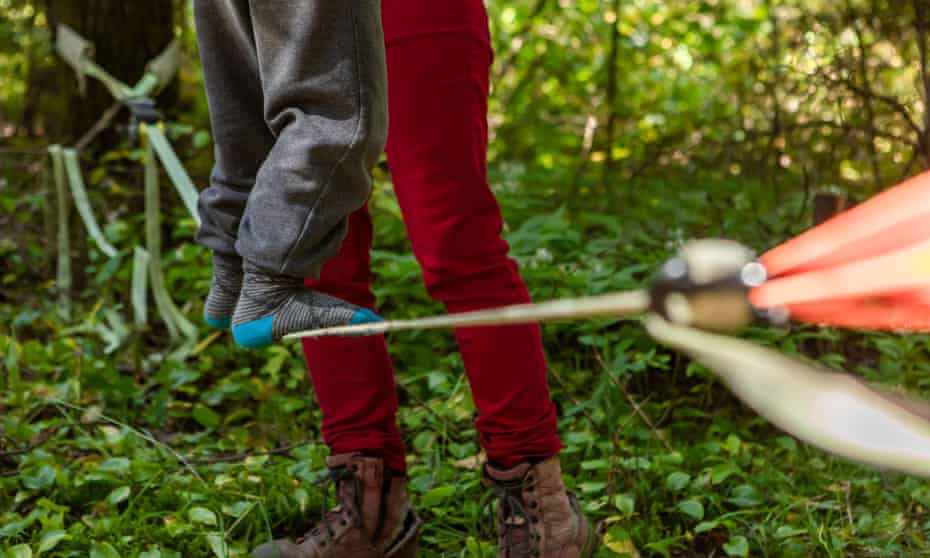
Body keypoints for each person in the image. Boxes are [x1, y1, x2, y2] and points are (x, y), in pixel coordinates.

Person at [193, 1, 598, 557]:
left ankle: (541, 510)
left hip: (415, 13)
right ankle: (370, 507)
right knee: (317, 252)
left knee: (457, 242)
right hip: (300, 23)